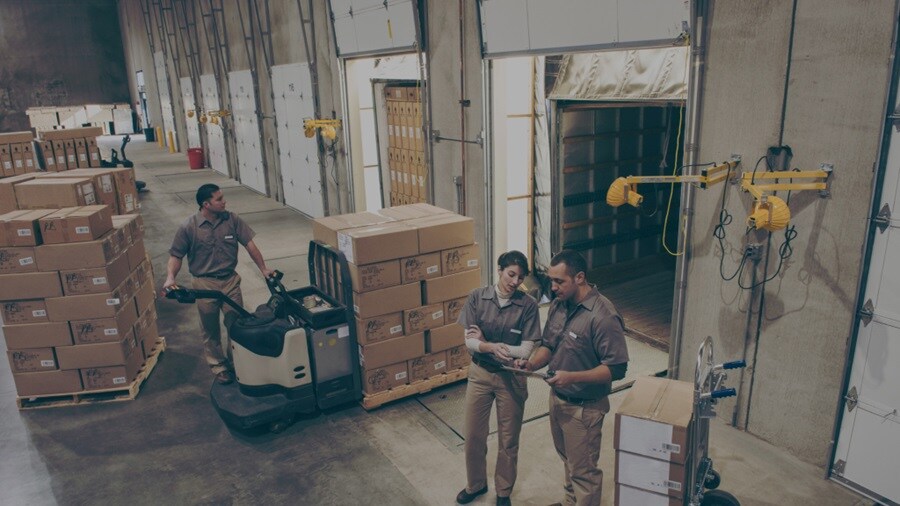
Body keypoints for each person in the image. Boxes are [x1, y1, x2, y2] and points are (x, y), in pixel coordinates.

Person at [516, 250, 629, 506]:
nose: (553, 287)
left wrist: (571, 377)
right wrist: (531, 363)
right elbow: (549, 344)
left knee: (584, 473)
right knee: (569, 462)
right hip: (558, 399)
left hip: (584, 409)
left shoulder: (603, 316)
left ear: (579, 277)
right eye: (550, 280)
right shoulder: (558, 304)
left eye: (559, 281)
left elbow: (617, 368)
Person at [163, 183, 273, 385]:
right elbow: (176, 255)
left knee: (236, 324)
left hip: (230, 281)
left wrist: (264, 269)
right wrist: (171, 277)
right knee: (210, 328)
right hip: (204, 284)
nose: (224, 202)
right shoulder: (189, 227)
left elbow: (249, 244)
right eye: (219, 199)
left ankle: (238, 362)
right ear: (206, 204)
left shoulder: (232, 220)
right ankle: (219, 366)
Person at [455, 251, 541, 506]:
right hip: (480, 374)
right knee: (473, 435)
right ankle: (476, 484)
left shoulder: (528, 305)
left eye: (520, 277)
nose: (515, 282)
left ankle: (503, 491)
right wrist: (490, 347)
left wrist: (487, 342)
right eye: (511, 274)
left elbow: (525, 350)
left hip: (511, 378)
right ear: (499, 270)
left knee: (508, 438)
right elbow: (470, 342)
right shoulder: (477, 298)